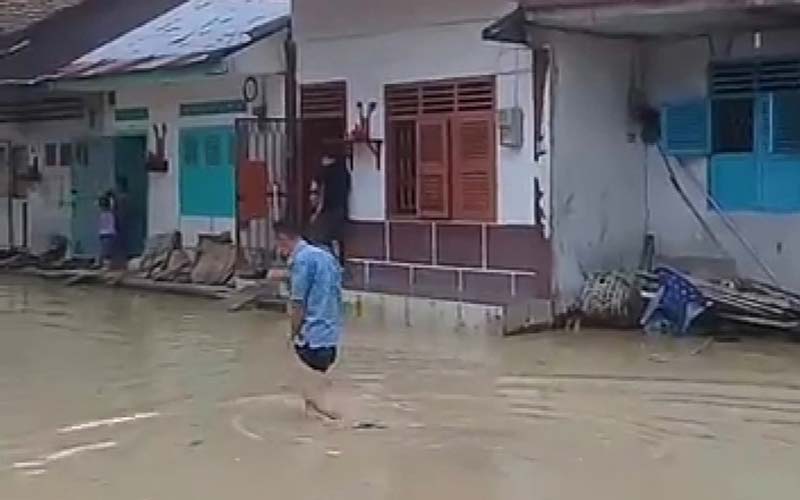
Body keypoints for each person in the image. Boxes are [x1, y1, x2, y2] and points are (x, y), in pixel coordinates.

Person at [269, 219, 343, 421]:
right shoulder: (325, 256)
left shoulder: (301, 260)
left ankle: (326, 419)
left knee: (309, 392)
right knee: (316, 383)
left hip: (312, 335)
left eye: (277, 243)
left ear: (283, 240)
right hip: (331, 334)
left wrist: (292, 334)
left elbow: (298, 303)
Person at [317, 154, 351, 265]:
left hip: (329, 209)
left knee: (323, 237)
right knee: (338, 238)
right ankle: (340, 263)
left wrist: (318, 211)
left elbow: (322, 194)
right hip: (342, 209)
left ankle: (330, 261)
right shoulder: (344, 172)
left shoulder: (327, 173)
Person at [97, 192, 116, 270]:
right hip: (108, 233)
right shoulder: (108, 213)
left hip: (105, 233)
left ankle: (105, 264)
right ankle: (105, 264)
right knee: (106, 250)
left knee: (105, 249)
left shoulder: (104, 213)